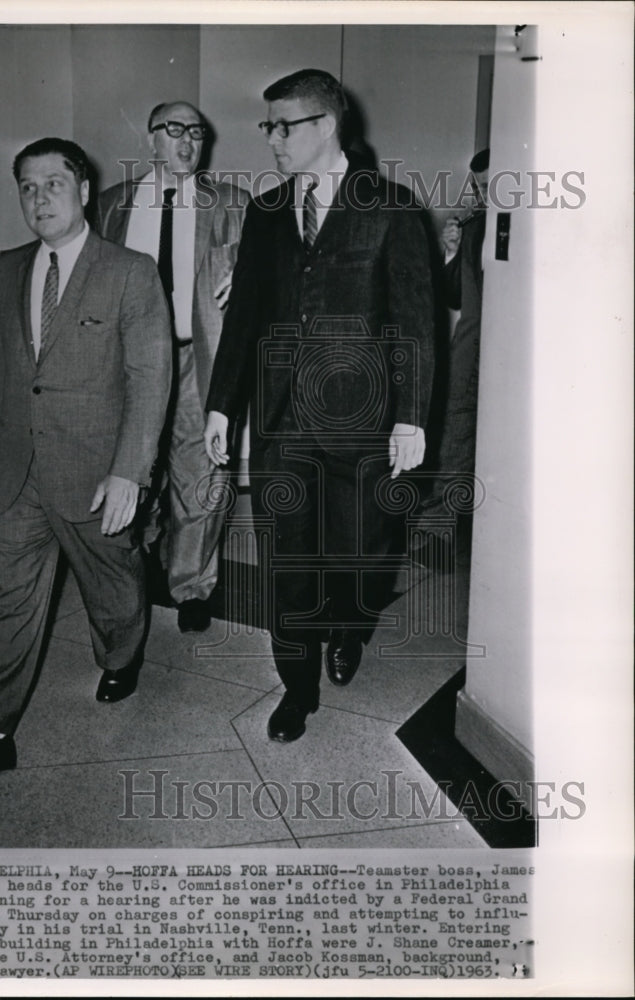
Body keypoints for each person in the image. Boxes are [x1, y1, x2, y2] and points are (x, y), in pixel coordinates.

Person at [204, 69, 435, 742]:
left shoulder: (390, 208)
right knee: (289, 564)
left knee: (361, 555)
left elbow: (415, 323)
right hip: (281, 426)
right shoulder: (266, 211)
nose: (272, 139)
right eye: (267, 127)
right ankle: (296, 689)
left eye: (284, 126)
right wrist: (223, 407)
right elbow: (244, 314)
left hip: (363, 424)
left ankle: (349, 625)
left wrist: (411, 416)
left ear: (325, 127)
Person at [0, 138, 172, 771]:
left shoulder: (130, 270)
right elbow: (2, 376)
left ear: (84, 190)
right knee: (4, 595)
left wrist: (129, 472)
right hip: (15, 474)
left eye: (53, 184)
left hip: (96, 471)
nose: (40, 199)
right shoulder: (7, 267)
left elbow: (151, 378)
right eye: (27, 188)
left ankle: (121, 655)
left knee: (112, 582)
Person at [98, 101, 248, 633]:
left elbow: (260, 274)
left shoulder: (232, 203)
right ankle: (132, 566)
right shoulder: (112, 207)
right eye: (174, 130)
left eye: (197, 132)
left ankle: (192, 586)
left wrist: (246, 280)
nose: (187, 141)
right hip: (129, 361)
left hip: (195, 358)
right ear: (150, 138)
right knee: (131, 464)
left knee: (201, 471)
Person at [431, 148, 489, 531]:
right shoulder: (474, 226)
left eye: (492, 185)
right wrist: (451, 252)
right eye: (480, 187)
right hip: (471, 347)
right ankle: (443, 531)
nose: (485, 194)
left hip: (507, 349)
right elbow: (455, 296)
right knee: (455, 429)